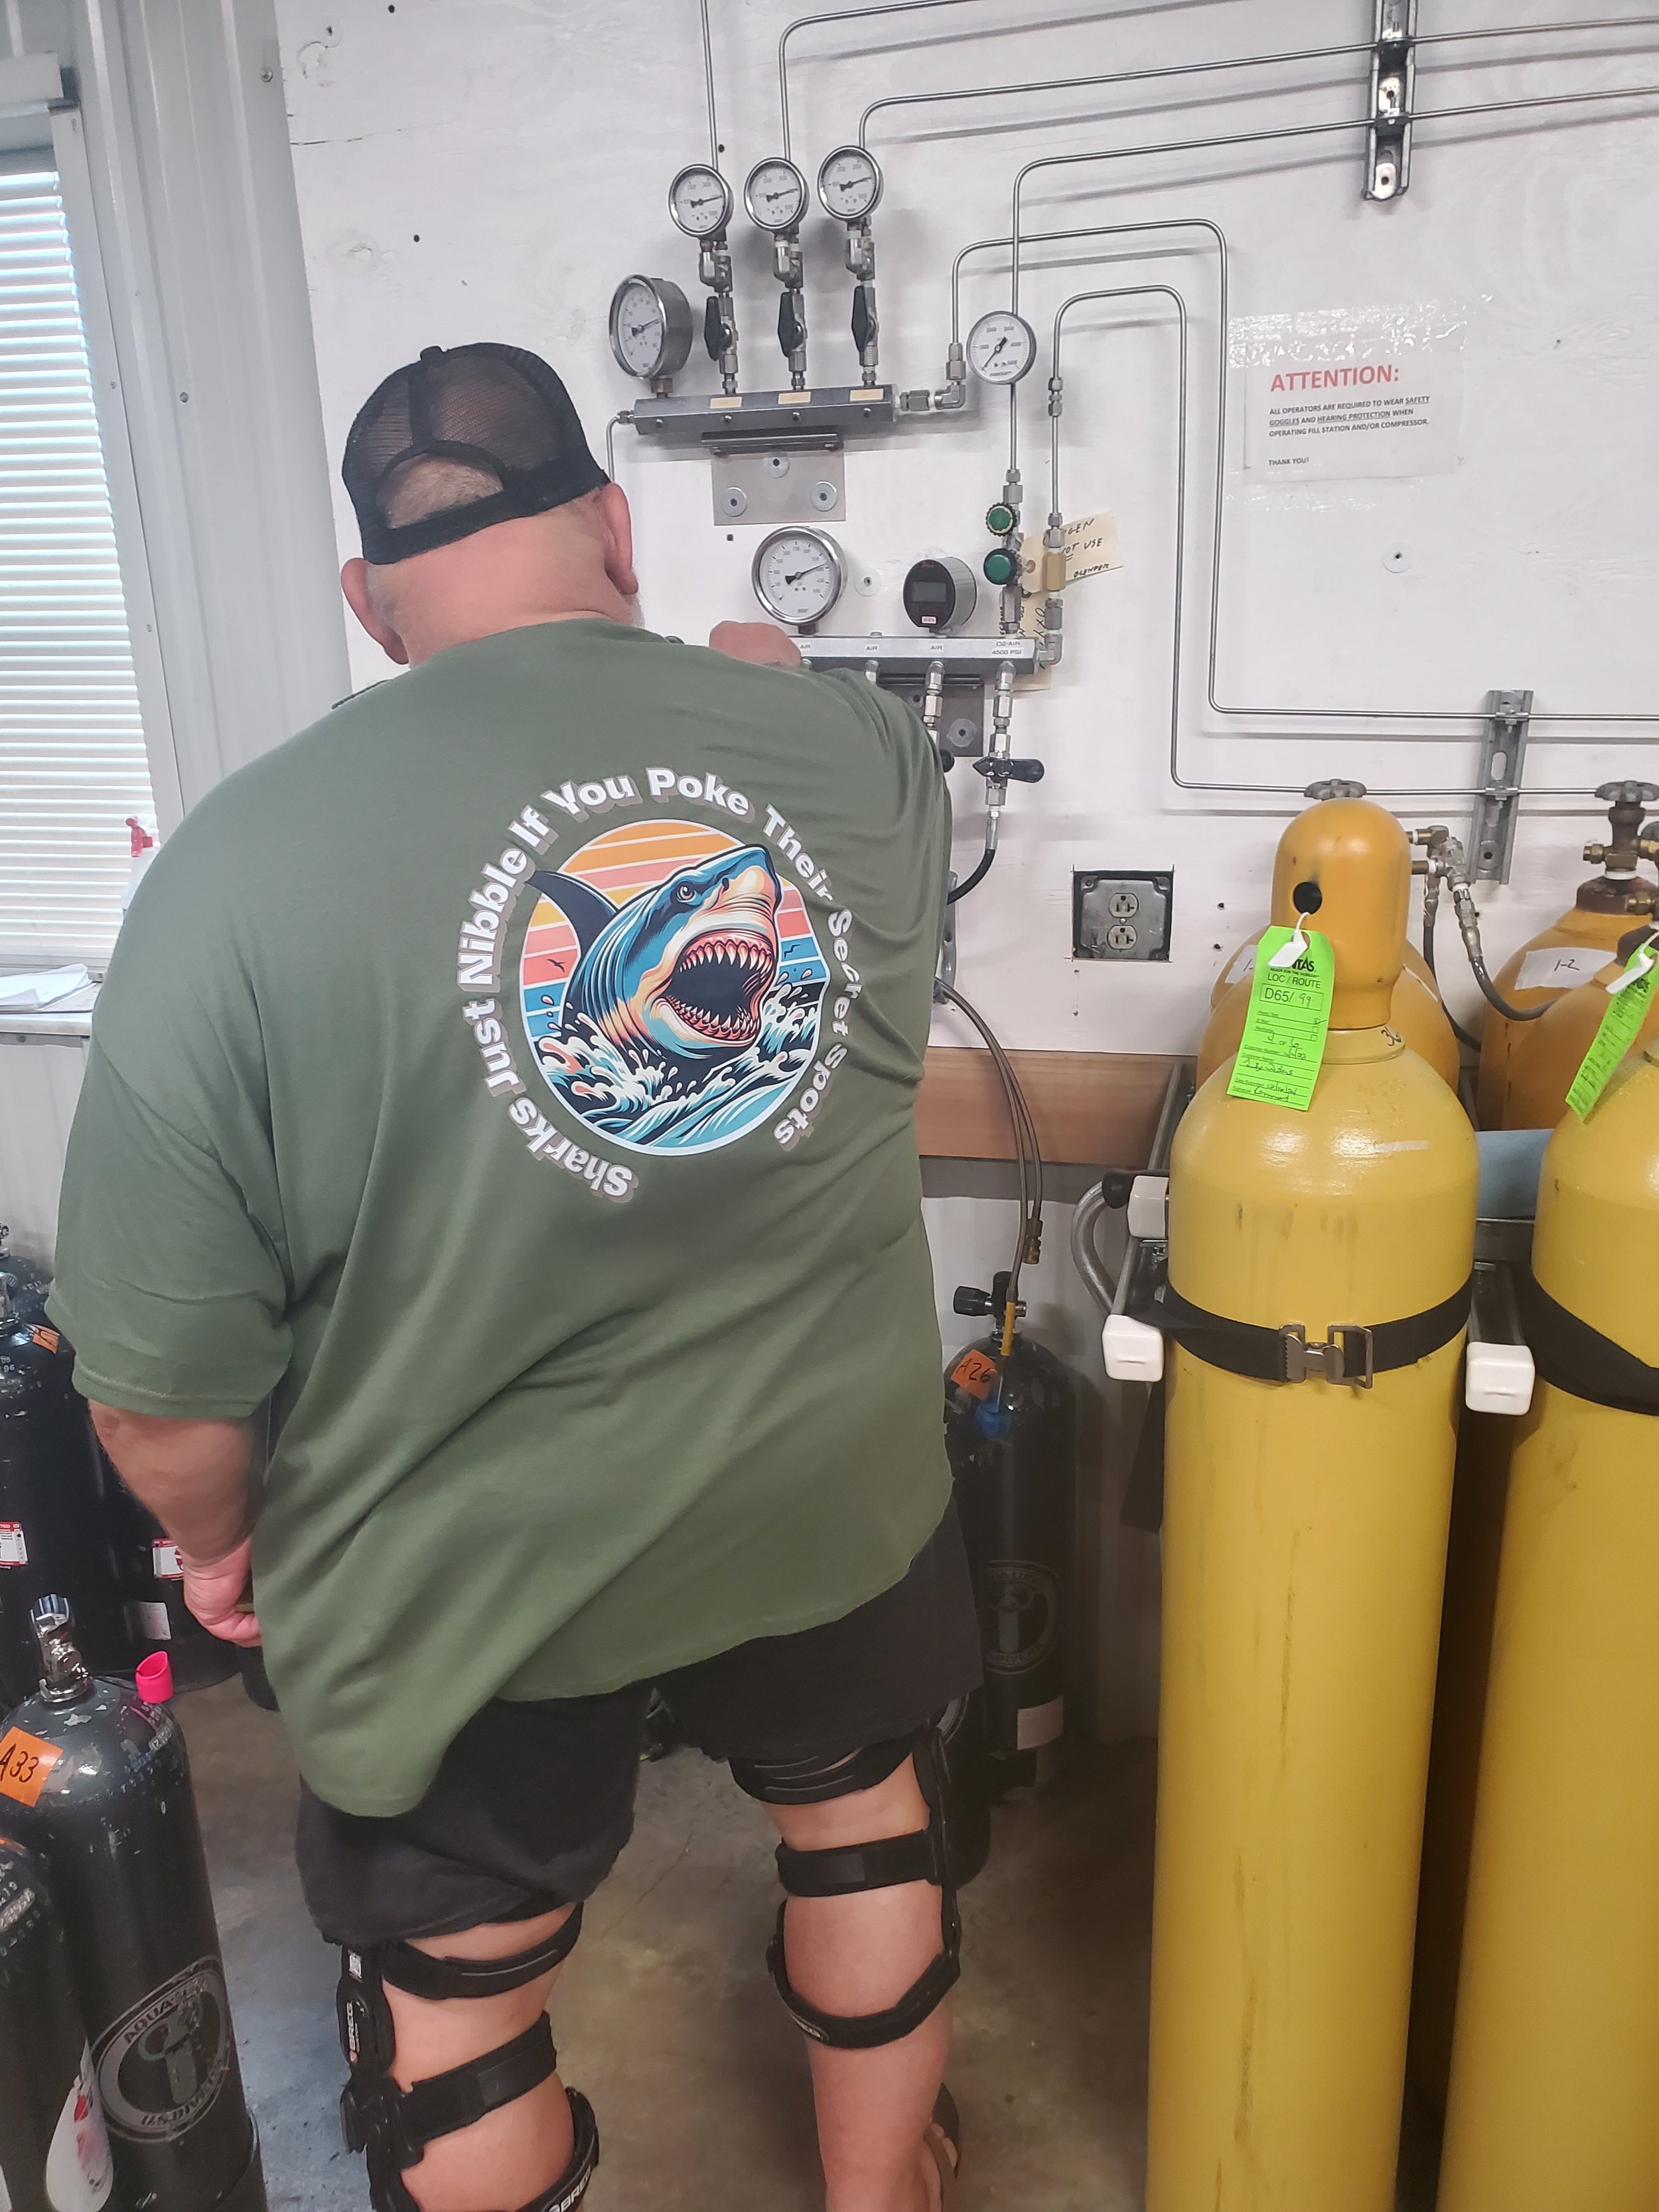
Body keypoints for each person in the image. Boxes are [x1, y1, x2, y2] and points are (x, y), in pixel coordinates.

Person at [48, 342, 979, 2212]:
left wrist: (224, 1544)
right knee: (862, 1828)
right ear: (616, 528)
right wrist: (738, 660)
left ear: (365, 597)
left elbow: (154, 1395)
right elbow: (766, 662)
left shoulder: (230, 872)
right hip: (817, 1490)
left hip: (463, 1561)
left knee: (463, 1995)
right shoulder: (860, 761)